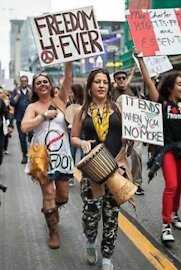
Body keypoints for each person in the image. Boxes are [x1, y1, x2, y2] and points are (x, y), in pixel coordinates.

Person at [135, 42, 181, 243]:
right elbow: (147, 81)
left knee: (179, 185)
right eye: (179, 84)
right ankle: (166, 225)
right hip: (167, 150)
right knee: (171, 184)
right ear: (170, 87)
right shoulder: (161, 101)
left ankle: (175, 213)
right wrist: (141, 59)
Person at [70, 67, 133, 270]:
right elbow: (74, 136)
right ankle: (90, 242)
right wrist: (81, 143)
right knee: (91, 215)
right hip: (91, 172)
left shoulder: (117, 109)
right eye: (97, 82)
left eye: (105, 82)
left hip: (115, 170)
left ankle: (107, 256)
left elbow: (128, 134)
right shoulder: (82, 111)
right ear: (90, 86)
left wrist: (130, 138)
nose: (101, 85)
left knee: (111, 216)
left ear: (109, 86)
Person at [20, 63, 74, 249]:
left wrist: (69, 60)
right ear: (34, 88)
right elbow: (24, 127)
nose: (42, 84)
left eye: (45, 81)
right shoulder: (32, 106)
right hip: (40, 154)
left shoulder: (60, 100)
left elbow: (68, 80)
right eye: (39, 83)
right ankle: (53, 231)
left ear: (50, 85)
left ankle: (51, 211)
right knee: (48, 192)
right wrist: (43, 116)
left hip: (63, 153)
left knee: (63, 195)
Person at [111, 68, 145, 196]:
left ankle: (137, 183)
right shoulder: (111, 93)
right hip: (118, 129)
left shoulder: (134, 90)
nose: (121, 80)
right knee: (118, 156)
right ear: (115, 81)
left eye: (123, 78)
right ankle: (117, 182)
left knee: (137, 154)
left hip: (134, 128)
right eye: (118, 78)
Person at [11, 74, 32, 164]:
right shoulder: (16, 91)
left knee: (31, 138)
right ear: (20, 82)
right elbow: (12, 103)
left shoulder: (31, 92)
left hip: (31, 119)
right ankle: (25, 155)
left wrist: (31, 94)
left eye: (25, 81)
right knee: (22, 138)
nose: (24, 82)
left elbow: (35, 102)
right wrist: (18, 95)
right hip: (20, 118)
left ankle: (32, 155)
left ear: (28, 82)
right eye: (22, 81)